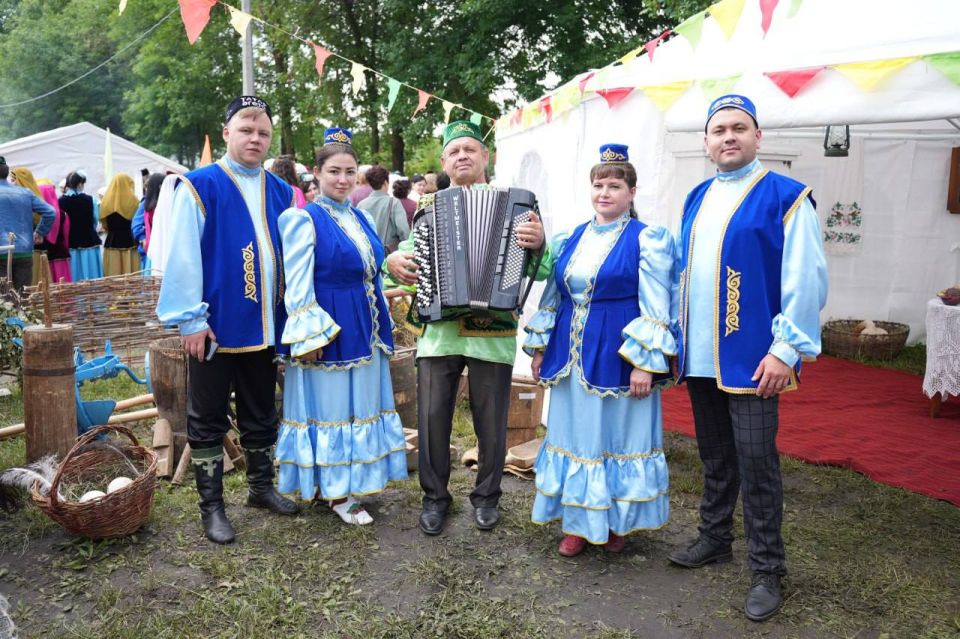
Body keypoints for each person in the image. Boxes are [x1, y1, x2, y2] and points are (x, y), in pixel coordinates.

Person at [667, 94, 827, 622]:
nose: (728, 137)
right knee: (715, 457)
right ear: (706, 142)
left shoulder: (786, 195)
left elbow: (806, 280)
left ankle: (767, 568)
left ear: (758, 137)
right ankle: (715, 538)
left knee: (757, 464)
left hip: (756, 359)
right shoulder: (696, 196)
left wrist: (786, 350)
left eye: (739, 127)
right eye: (719, 130)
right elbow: (683, 276)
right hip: (700, 358)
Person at [386, 120, 545, 535]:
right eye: (455, 151)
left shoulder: (519, 205)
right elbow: (403, 261)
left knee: (491, 422)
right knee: (433, 419)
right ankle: (435, 498)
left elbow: (543, 267)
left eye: (470, 150)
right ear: (443, 161)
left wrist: (540, 244)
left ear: (485, 157)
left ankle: (487, 497)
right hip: (439, 334)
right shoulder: (428, 207)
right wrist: (393, 263)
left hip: (493, 333)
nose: (462, 156)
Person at [156, 95, 299, 544]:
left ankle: (260, 488)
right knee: (208, 416)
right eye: (246, 130)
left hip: (266, 326)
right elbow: (181, 256)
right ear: (227, 133)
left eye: (263, 133)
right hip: (214, 327)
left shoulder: (280, 190)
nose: (255, 139)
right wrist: (191, 321)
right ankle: (212, 506)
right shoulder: (199, 186)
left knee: (261, 411)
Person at [525, 144, 673, 556]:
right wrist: (540, 350)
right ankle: (578, 522)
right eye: (598, 185)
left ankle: (615, 522)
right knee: (578, 438)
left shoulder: (649, 239)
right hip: (571, 356)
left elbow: (658, 303)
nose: (604, 192)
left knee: (617, 437)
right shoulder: (570, 237)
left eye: (614, 185)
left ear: (631, 192)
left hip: (617, 355)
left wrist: (645, 362)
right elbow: (552, 298)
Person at [274, 127, 407, 525]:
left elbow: (370, 268)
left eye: (350, 172)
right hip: (329, 328)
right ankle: (337, 493)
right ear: (316, 173)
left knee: (359, 407)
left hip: (364, 324)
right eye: (334, 171)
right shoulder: (302, 219)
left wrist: (390, 268)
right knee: (332, 408)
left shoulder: (360, 216)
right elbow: (296, 285)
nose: (343, 179)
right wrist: (307, 336)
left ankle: (349, 483)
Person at [0, 159, 55, 290]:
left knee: (2, 301)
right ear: (7, 174)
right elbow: (50, 212)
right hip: (23, 251)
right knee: (23, 299)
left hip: (1, 252)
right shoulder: (25, 193)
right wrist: (40, 232)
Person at [58, 171, 102, 281]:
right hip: (89, 240)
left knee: (74, 272)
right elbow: (95, 220)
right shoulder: (90, 199)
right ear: (80, 184)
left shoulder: (61, 201)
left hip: (70, 242)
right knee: (91, 273)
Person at [359, 165, 409, 253]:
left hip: (369, 254)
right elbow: (403, 231)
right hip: (390, 255)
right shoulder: (394, 202)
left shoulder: (361, 205)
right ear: (386, 182)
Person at [99, 173, 140, 276]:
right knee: (131, 276)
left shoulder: (105, 202)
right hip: (130, 243)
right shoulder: (134, 202)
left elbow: (104, 225)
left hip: (112, 243)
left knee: (114, 276)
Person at [37, 182, 72, 284]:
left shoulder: (38, 215)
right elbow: (66, 236)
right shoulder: (63, 214)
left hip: (43, 256)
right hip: (61, 254)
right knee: (64, 288)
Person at [132, 173, 165, 271]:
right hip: (151, 249)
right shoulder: (146, 204)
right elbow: (136, 225)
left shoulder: (164, 201)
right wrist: (143, 239)